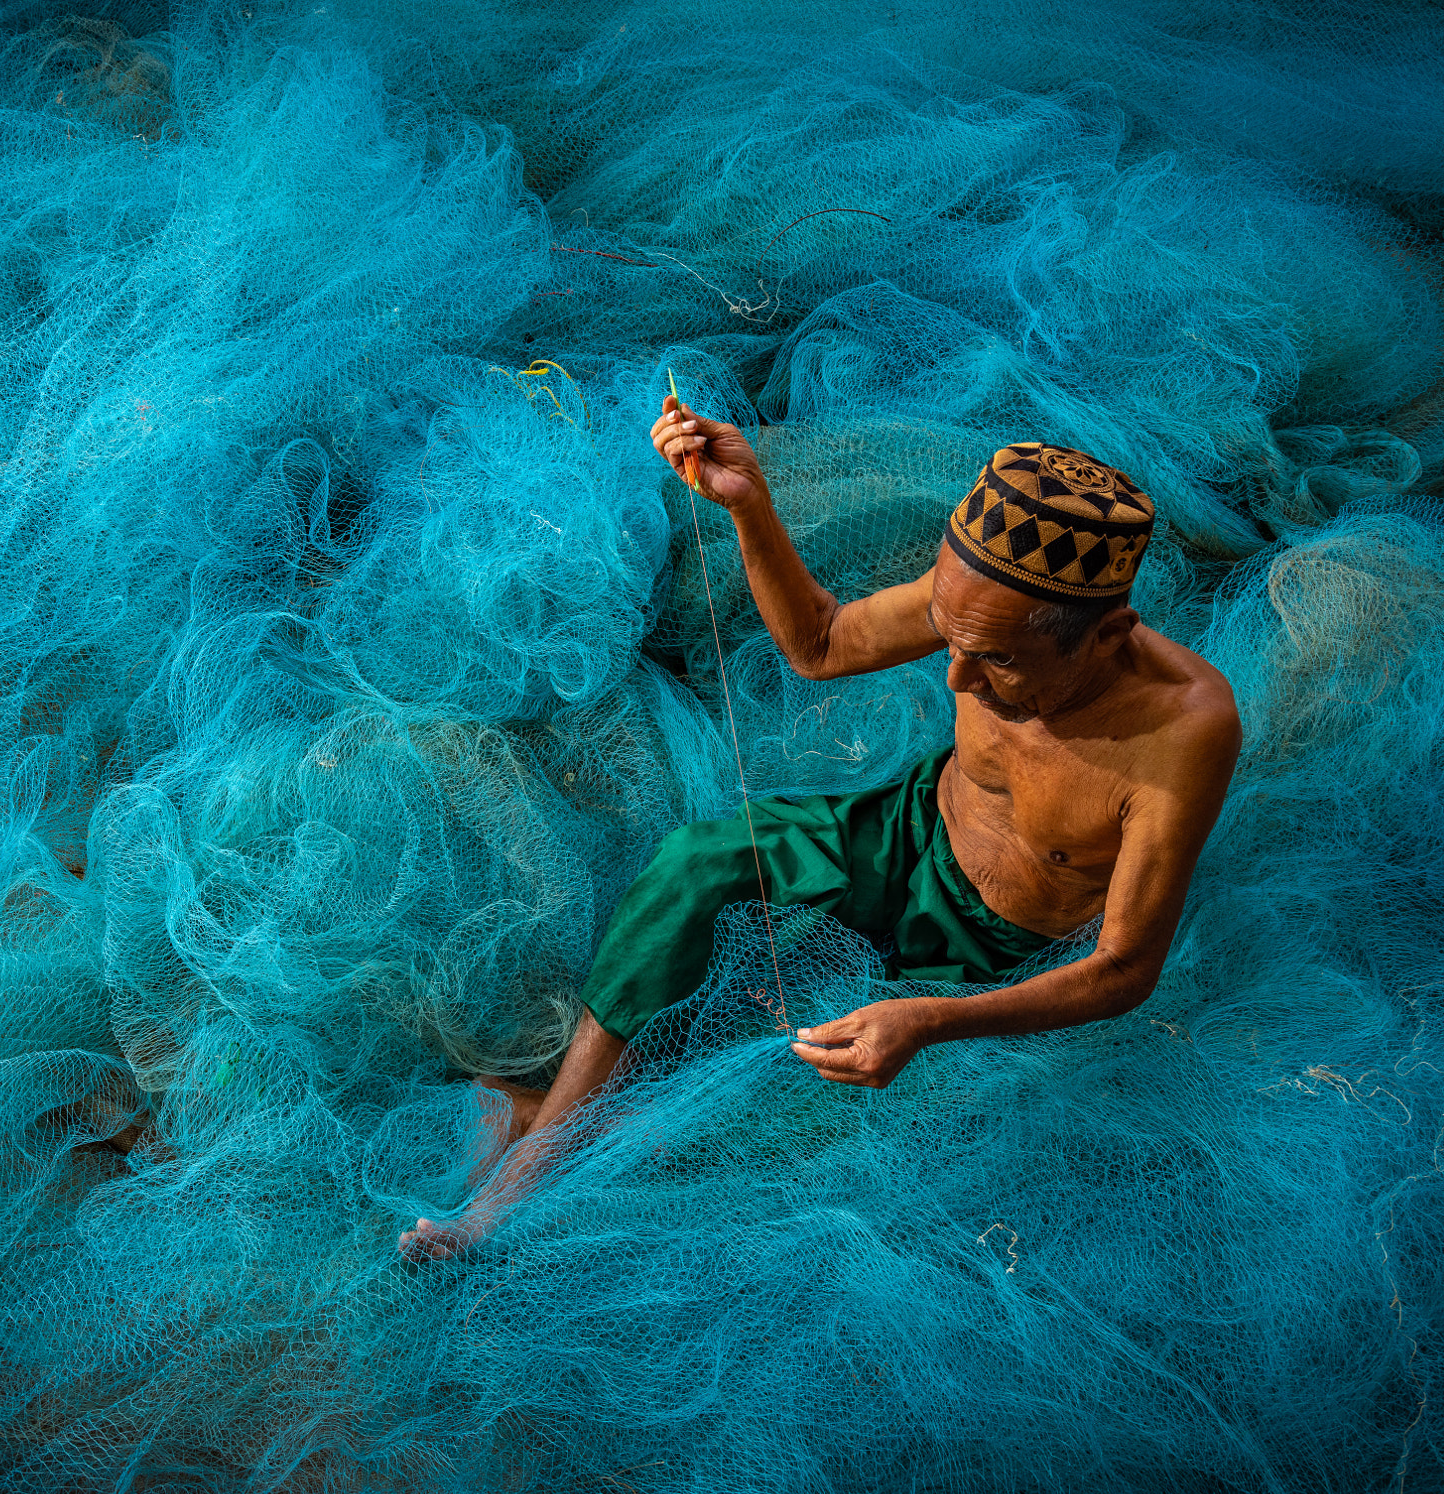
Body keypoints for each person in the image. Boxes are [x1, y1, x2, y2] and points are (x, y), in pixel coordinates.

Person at [399, 397, 1241, 1260]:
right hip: (903, 832)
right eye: (949, 635)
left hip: (996, 945)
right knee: (697, 863)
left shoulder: (1182, 733)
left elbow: (1127, 968)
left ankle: (547, 1116)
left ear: (1109, 635)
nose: (956, 673)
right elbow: (822, 642)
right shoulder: (982, 608)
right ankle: (524, 1174)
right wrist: (747, 501)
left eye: (996, 661)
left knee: (797, 1127)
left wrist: (929, 1021)